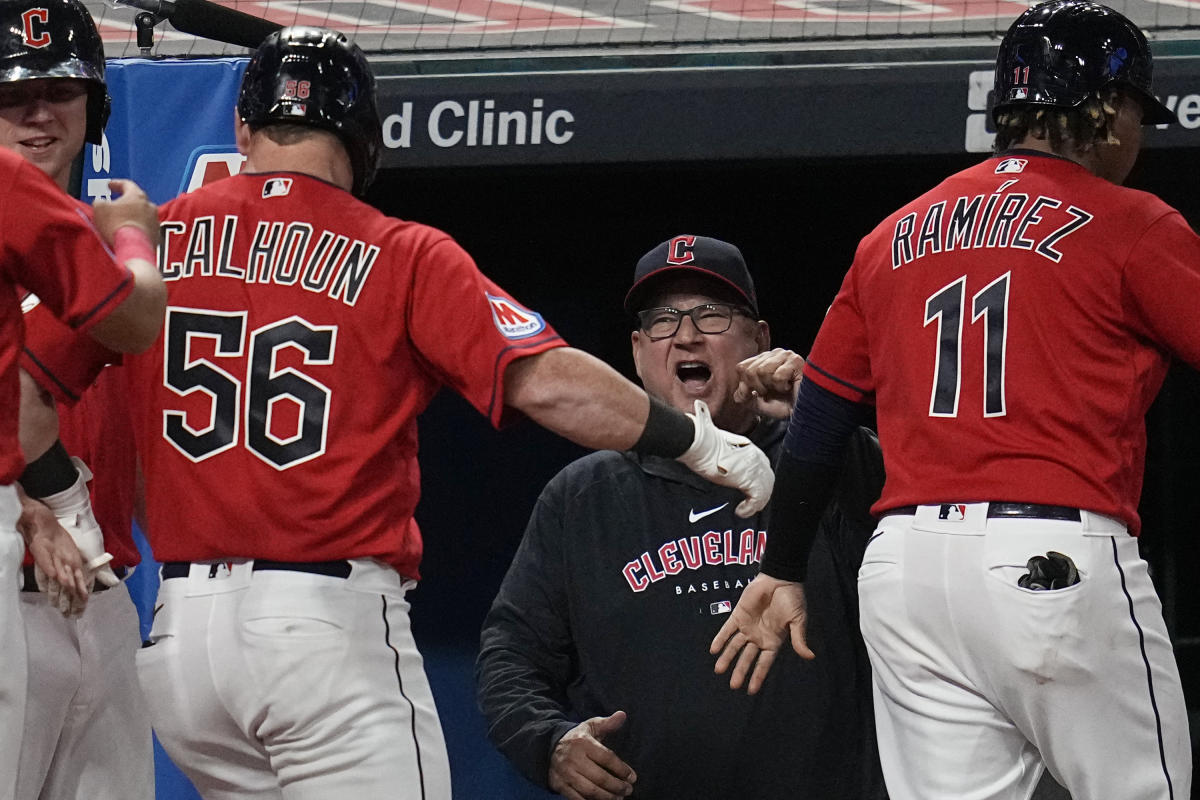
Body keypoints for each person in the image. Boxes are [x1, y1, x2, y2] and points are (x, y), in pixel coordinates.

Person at [125, 28, 772, 800]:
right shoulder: (397, 248)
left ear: (243, 129)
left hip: (179, 641)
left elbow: (54, 398)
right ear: (365, 136)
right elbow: (547, 383)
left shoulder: (147, 243)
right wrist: (700, 443)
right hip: (318, 630)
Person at [711, 2, 1197, 799]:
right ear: (1105, 111)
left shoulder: (891, 234)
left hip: (906, 574)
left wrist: (784, 564)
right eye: (1138, 111)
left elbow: (823, 415)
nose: (1141, 134)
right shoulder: (1131, 223)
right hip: (1054, 560)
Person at [475, 235, 889, 799]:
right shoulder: (584, 496)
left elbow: (925, 579)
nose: (686, 335)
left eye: (711, 315)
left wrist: (818, 413)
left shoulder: (832, 469)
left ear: (760, 340)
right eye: (663, 321)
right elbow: (512, 651)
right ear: (639, 352)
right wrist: (547, 741)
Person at [0, 0, 159, 795]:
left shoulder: (110, 242)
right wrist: (47, 508)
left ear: (93, 107)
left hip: (104, 595)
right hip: (10, 589)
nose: (37, 110)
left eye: (60, 89)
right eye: (11, 95)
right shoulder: (133, 247)